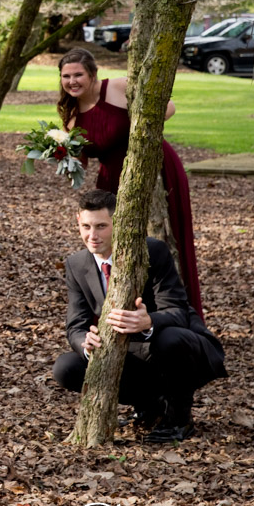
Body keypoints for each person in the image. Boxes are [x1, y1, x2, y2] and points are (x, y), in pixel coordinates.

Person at [53, 189, 225, 442]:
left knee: (169, 339)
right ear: (78, 220)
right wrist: (85, 344)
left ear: (118, 223)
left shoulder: (151, 250)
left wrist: (149, 322)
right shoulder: (76, 264)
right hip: (129, 356)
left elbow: (178, 310)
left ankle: (179, 420)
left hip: (181, 348)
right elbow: (75, 326)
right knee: (65, 367)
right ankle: (150, 405)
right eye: (86, 226)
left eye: (101, 226)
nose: (92, 236)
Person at [58, 47, 201, 316]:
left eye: (78, 74)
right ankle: (131, 309)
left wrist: (138, 135)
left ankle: (177, 312)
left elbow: (168, 107)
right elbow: (80, 165)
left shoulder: (119, 86)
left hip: (155, 167)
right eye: (66, 76)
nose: (72, 81)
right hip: (112, 182)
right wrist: (62, 158)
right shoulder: (71, 117)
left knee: (165, 238)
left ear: (93, 73)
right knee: (122, 245)